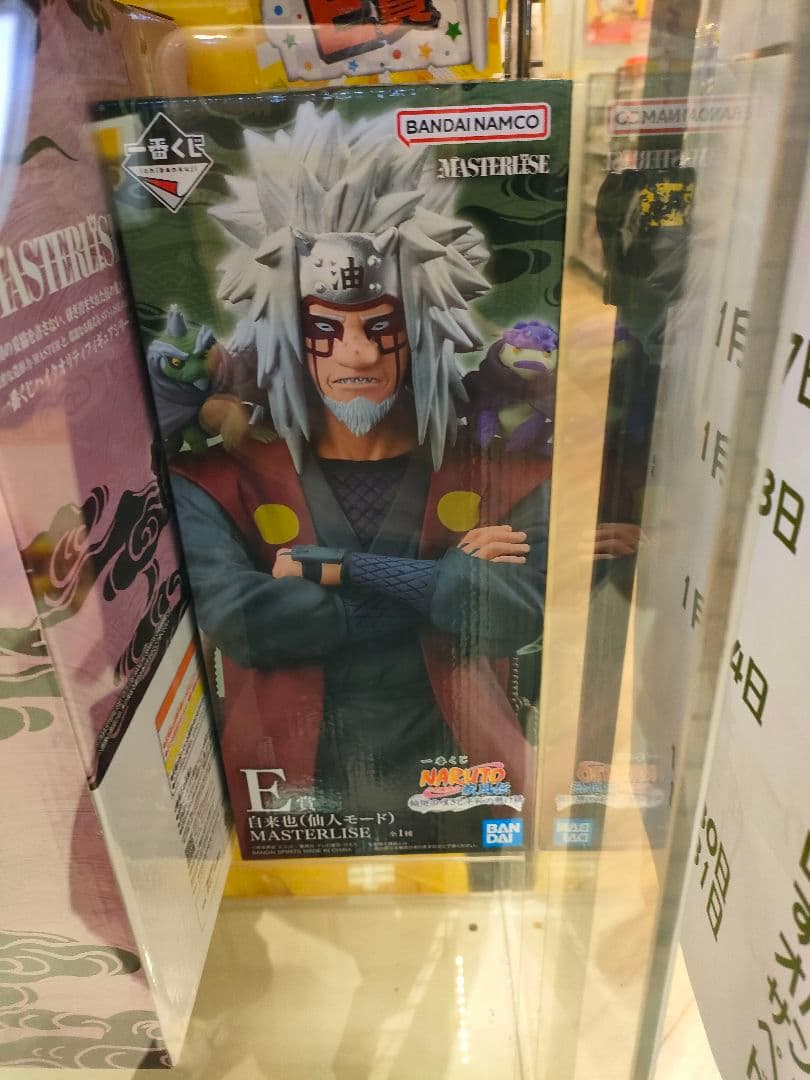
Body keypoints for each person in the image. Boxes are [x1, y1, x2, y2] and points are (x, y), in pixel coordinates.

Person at [168, 102, 551, 854]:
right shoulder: (212, 481)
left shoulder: (509, 475)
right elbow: (247, 621)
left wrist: (337, 569)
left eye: (383, 327)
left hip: (471, 795)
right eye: (325, 329)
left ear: (424, 328)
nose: (358, 355)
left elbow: (511, 614)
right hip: (286, 805)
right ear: (285, 330)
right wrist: (441, 584)